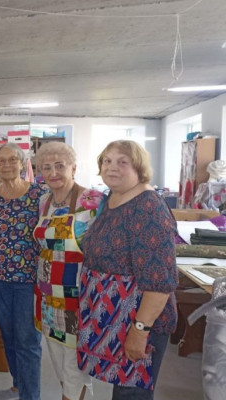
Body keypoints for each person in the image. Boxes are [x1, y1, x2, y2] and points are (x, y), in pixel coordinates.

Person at [78, 140, 178, 400]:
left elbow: (160, 282)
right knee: (122, 390)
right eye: (107, 161)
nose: (112, 167)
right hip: (112, 315)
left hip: (139, 319)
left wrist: (140, 330)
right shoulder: (112, 199)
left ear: (139, 168)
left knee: (131, 394)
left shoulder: (148, 207)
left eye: (122, 162)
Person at [32, 142, 103, 400]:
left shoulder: (92, 201)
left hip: (78, 299)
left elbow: (102, 253)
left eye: (60, 166)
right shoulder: (44, 201)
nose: (53, 173)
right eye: (46, 167)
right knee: (60, 366)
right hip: (48, 297)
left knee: (75, 370)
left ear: (73, 168)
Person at [0, 143, 46, 400]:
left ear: (22, 163)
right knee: (8, 338)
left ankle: (31, 396)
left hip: (29, 282)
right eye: (1, 161)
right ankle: (19, 385)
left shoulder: (39, 195)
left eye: (12, 160)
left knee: (28, 342)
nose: (7, 165)